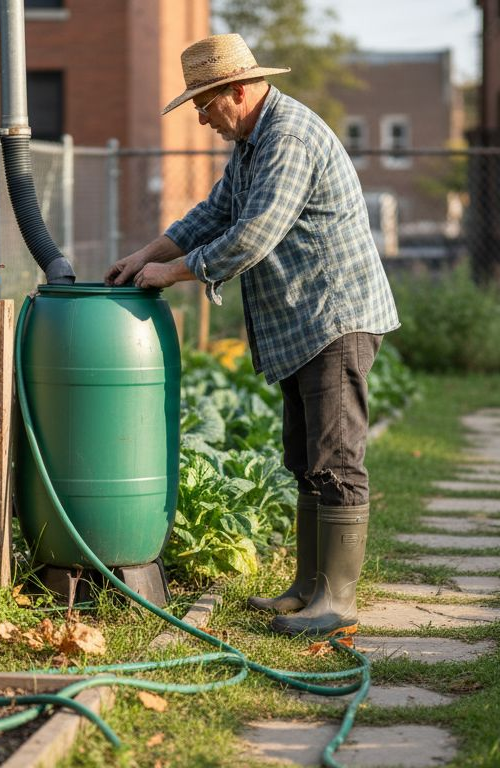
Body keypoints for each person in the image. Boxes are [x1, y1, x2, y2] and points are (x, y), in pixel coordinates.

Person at [105, 33, 399, 637]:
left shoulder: (287, 138)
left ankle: (336, 603)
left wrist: (172, 273)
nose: (201, 117)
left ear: (237, 91)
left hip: (332, 316)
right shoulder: (251, 140)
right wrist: (145, 254)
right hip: (301, 319)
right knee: (303, 456)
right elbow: (214, 214)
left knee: (335, 458)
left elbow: (252, 235)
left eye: (205, 104)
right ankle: (308, 587)